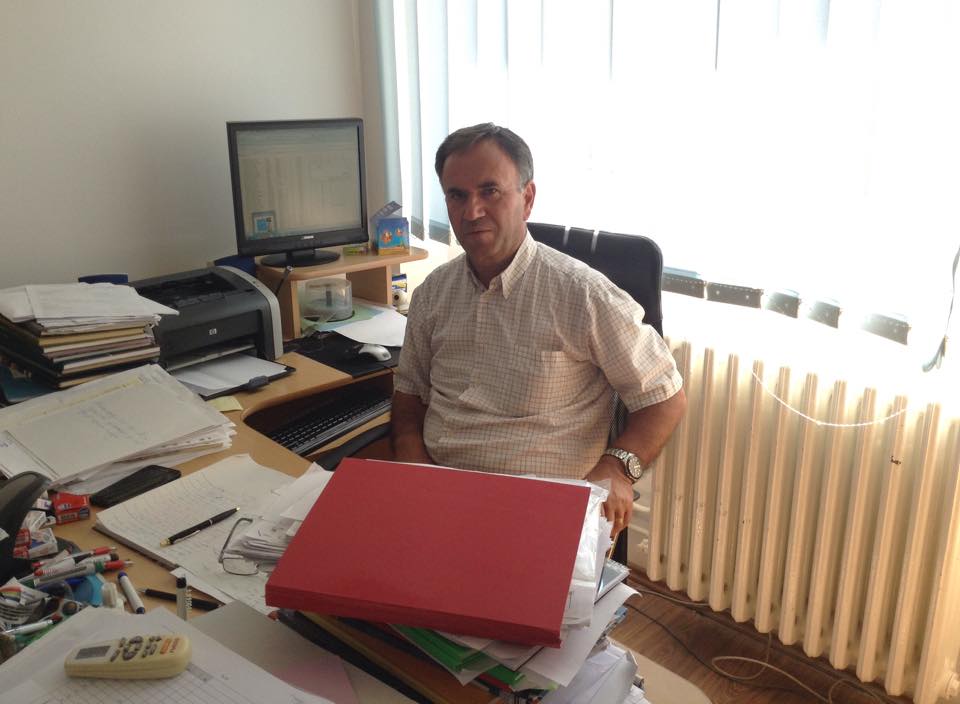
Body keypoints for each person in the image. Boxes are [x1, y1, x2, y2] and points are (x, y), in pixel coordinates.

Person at [391, 123, 686, 536]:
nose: (471, 212)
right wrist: (414, 471)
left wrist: (618, 468)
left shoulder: (583, 295)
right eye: (457, 195)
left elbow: (664, 399)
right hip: (441, 498)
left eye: (490, 191)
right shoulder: (432, 294)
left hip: (541, 510)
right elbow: (409, 396)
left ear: (527, 199)